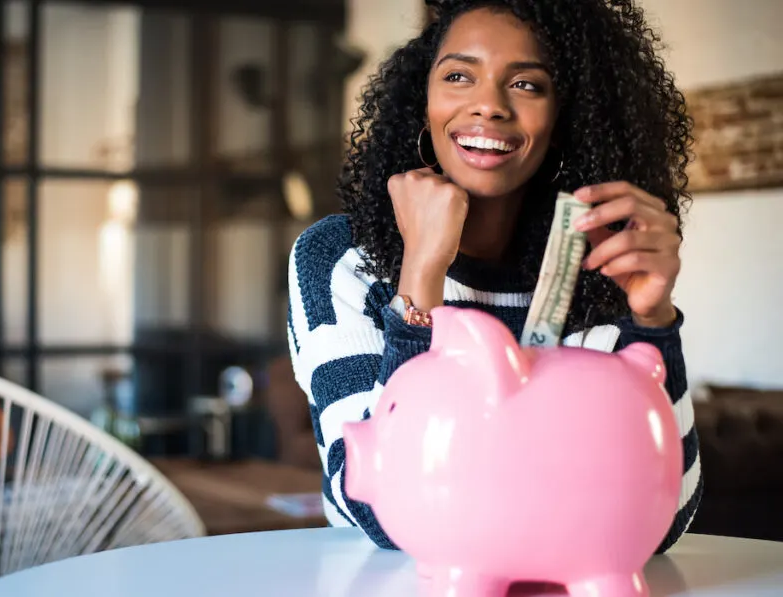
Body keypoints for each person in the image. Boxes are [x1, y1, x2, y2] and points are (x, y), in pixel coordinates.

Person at [286, 0, 702, 555]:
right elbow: (380, 513)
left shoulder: (598, 263)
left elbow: (660, 522)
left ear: (563, 120)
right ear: (422, 103)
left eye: (528, 85)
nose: (488, 105)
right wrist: (422, 271)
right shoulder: (341, 258)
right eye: (458, 76)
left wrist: (652, 323)